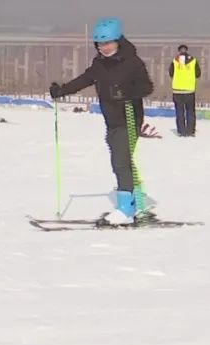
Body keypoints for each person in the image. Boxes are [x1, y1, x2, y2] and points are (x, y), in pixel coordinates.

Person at [49, 18, 155, 225]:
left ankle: (126, 209)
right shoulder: (100, 64)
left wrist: (128, 92)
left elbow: (146, 87)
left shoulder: (133, 63)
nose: (104, 48)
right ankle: (138, 197)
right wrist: (61, 91)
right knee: (122, 157)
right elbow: (84, 79)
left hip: (129, 117)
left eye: (107, 43)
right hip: (112, 119)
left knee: (120, 161)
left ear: (117, 40)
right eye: (99, 44)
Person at [169, 44, 201, 137]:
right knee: (190, 111)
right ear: (187, 51)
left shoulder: (175, 61)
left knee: (179, 111)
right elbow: (198, 74)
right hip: (189, 90)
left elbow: (171, 73)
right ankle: (190, 131)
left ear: (179, 51)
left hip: (177, 90)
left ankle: (181, 131)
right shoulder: (193, 61)